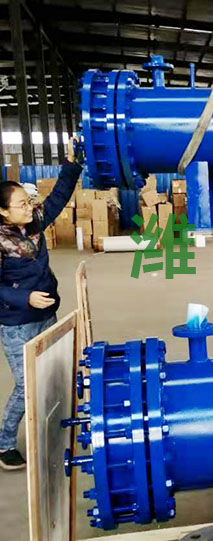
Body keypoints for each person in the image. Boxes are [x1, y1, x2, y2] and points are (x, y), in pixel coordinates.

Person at [0, 140, 82, 470]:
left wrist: (72, 163)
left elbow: (59, 196)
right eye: (21, 204)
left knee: (53, 376)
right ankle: (5, 443)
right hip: (17, 323)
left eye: (28, 201)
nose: (28, 207)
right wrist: (25, 297)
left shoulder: (34, 222)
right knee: (26, 385)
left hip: (47, 314)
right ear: (3, 211)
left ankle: (51, 431)